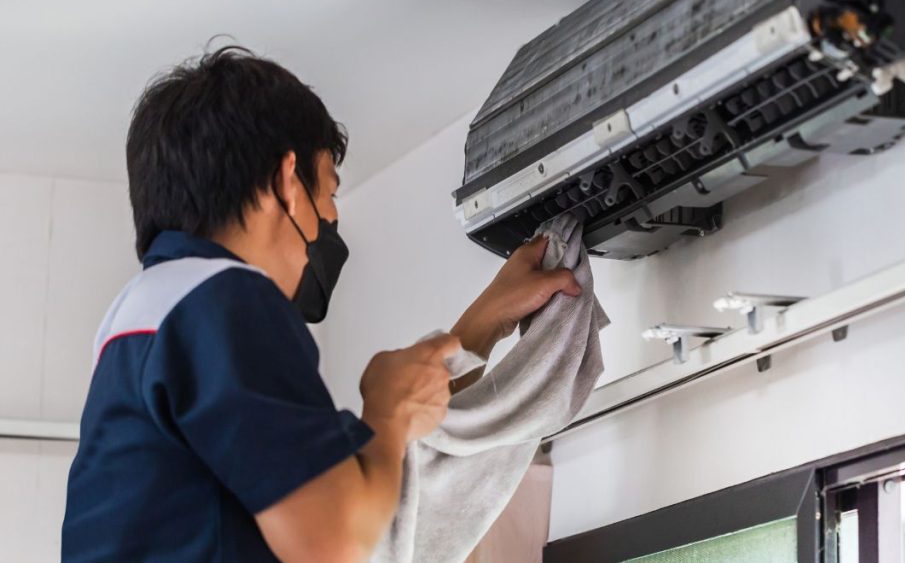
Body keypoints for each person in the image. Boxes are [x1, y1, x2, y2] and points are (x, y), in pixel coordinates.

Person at [61, 46, 581, 562]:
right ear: (287, 184)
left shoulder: (144, 316)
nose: (330, 219)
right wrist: (386, 413)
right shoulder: (225, 301)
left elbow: (334, 486)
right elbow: (335, 542)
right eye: (329, 193)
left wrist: (486, 319)